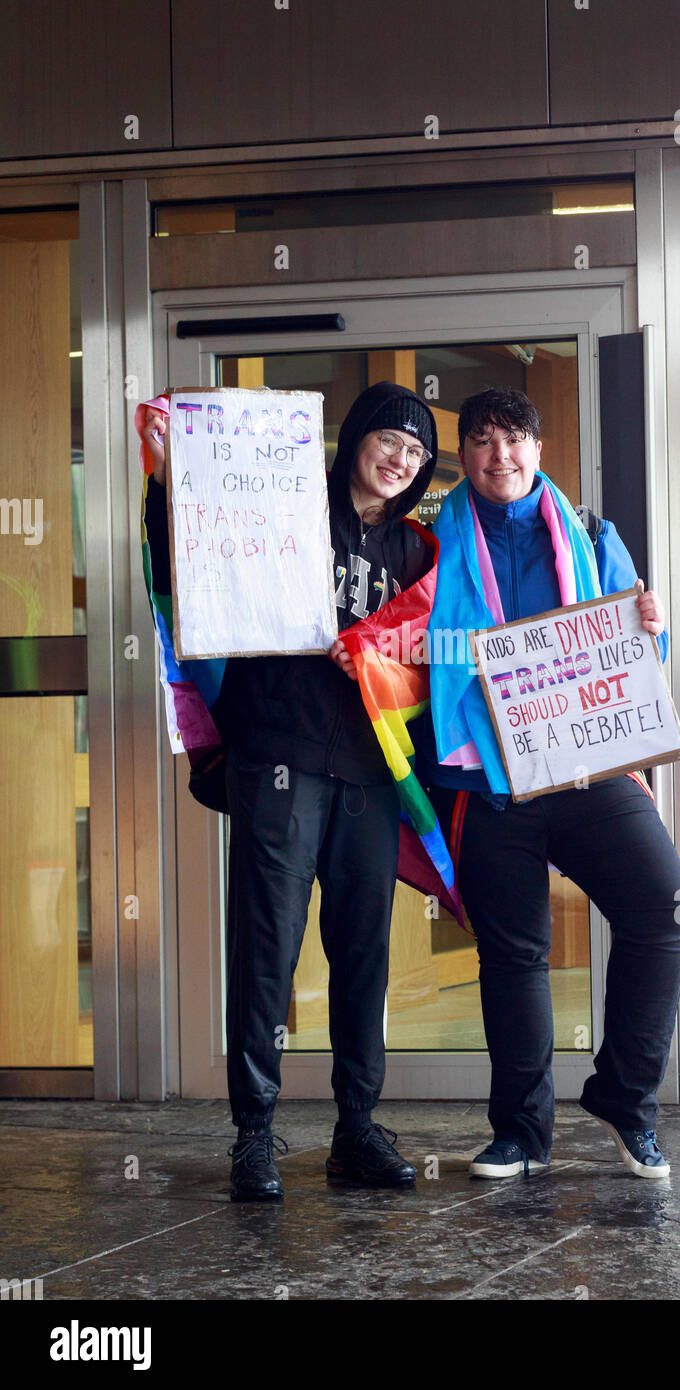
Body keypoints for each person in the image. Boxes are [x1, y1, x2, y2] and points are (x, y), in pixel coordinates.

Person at [140, 381, 438, 1199]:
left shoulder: (418, 553)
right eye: (388, 441)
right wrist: (171, 483)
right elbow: (194, 565)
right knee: (266, 947)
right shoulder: (288, 509)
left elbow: (435, 658)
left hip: (372, 773)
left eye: (415, 454)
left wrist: (381, 667)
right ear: (355, 441)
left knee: (363, 953)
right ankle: (254, 1136)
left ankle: (355, 1131)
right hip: (278, 754)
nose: (399, 461)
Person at [419, 387, 680, 1180]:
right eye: (480, 442)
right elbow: (404, 644)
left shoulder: (594, 534)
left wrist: (652, 623)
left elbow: (641, 655)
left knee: (665, 910)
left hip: (584, 767)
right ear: (462, 456)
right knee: (514, 957)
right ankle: (520, 1133)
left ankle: (624, 1099)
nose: (498, 457)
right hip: (486, 777)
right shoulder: (433, 546)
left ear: (538, 451)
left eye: (513, 441)